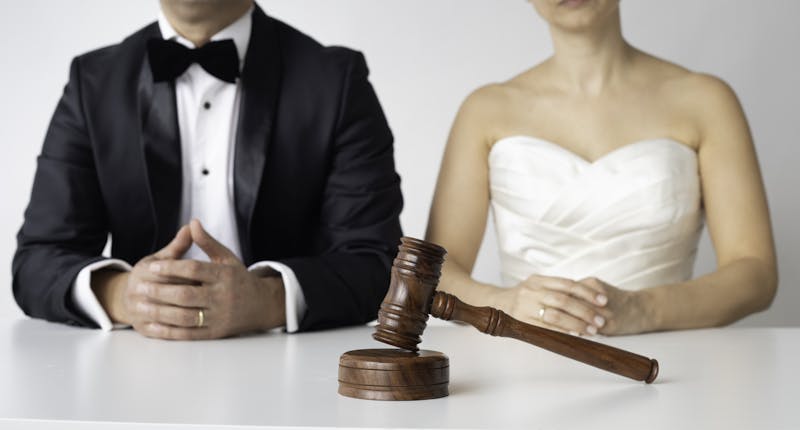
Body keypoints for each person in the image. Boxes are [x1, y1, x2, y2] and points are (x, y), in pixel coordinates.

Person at [12, 0, 403, 339]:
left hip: (291, 371)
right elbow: (37, 261)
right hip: (131, 369)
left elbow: (376, 261)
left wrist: (266, 300)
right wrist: (124, 295)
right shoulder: (93, 82)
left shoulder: (335, 80)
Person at [426, 0, 777, 336]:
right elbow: (433, 273)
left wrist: (644, 308)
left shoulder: (705, 100)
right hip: (523, 359)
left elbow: (756, 274)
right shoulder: (485, 110)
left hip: (670, 360)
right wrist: (505, 304)